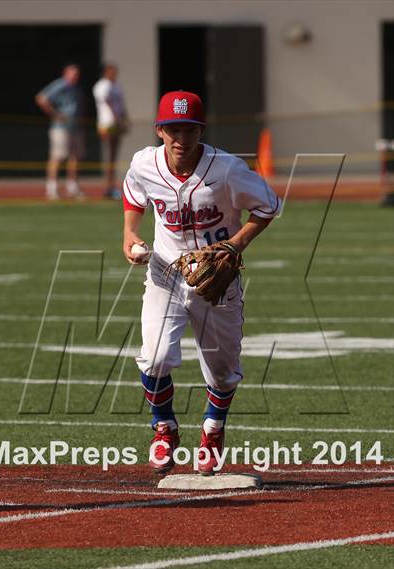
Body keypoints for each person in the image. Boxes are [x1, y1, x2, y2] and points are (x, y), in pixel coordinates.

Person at [122, 91, 281, 475]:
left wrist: (234, 245)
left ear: (201, 131)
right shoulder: (144, 163)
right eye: (173, 129)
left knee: (223, 370)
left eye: (189, 130)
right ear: (159, 130)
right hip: (165, 272)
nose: (181, 138)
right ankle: (164, 426)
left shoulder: (226, 169)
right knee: (156, 357)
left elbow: (269, 205)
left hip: (218, 280)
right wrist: (129, 234)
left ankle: (213, 428)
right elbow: (133, 196)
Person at [36, 63, 86, 200]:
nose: (76, 76)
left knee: (75, 156)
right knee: (57, 156)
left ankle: (72, 187)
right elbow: (41, 98)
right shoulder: (60, 85)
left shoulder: (76, 89)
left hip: (74, 127)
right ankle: (51, 188)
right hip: (60, 127)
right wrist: (55, 114)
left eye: (77, 74)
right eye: (73, 73)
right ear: (66, 73)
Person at [93, 63, 129, 200]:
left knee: (113, 156)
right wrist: (116, 118)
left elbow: (121, 104)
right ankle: (108, 187)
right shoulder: (102, 85)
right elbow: (107, 101)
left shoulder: (116, 85)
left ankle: (111, 186)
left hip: (116, 123)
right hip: (107, 123)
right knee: (109, 155)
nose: (114, 74)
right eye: (112, 71)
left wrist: (125, 119)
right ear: (105, 72)